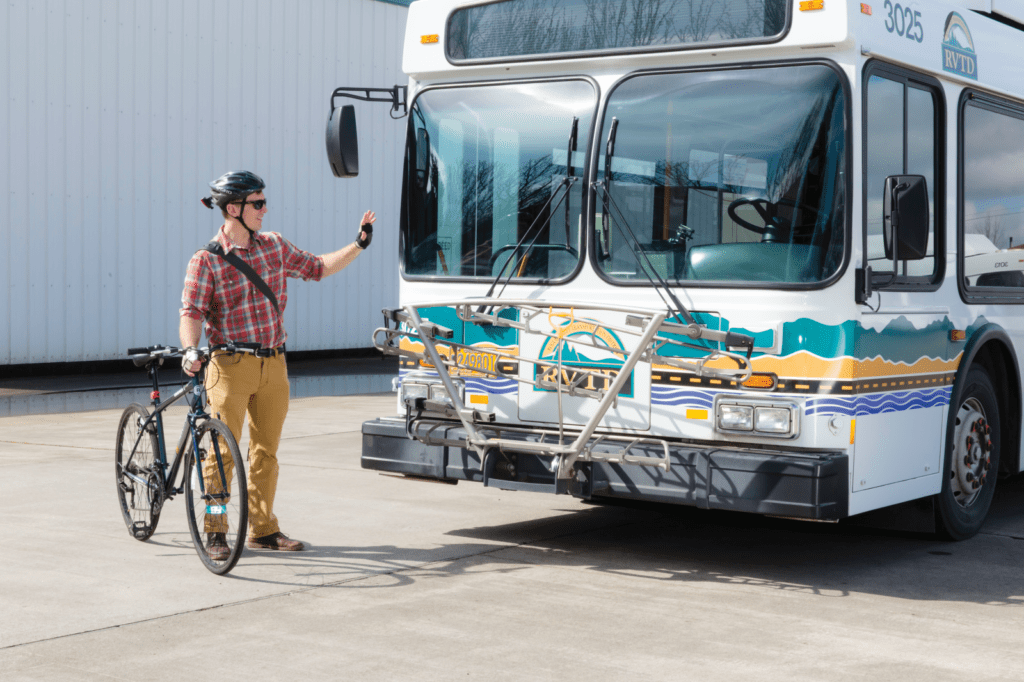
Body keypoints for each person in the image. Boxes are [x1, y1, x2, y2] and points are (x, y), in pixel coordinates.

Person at [179, 170, 374, 558]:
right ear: (233, 209)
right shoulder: (207, 260)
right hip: (229, 366)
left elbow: (318, 267)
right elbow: (192, 312)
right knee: (220, 452)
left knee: (265, 452)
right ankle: (216, 530)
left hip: (274, 366)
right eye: (257, 204)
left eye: (264, 202)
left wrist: (358, 245)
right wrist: (190, 349)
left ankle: (263, 529)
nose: (264, 210)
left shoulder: (274, 246)